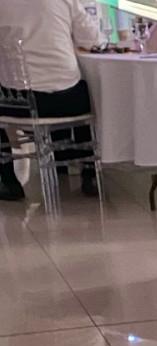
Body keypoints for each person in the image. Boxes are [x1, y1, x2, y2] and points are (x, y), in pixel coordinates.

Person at [0, 0, 103, 201]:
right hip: (64, 102)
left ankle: (8, 179)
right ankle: (88, 171)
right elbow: (92, 40)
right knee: (83, 88)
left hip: (16, 103)